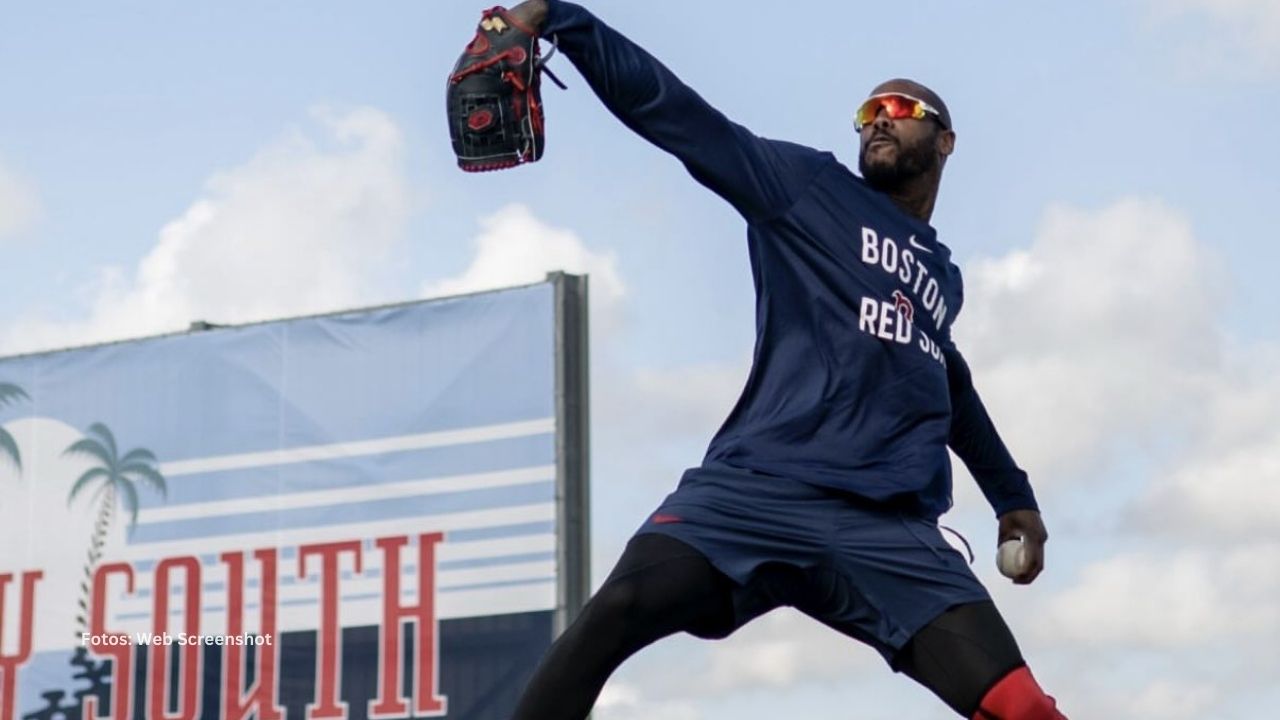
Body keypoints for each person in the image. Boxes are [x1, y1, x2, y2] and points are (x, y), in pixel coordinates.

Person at [504, 2, 1067, 718]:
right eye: (869, 111)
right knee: (615, 612)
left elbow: (943, 376)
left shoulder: (941, 275)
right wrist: (563, 20)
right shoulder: (807, 189)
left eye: (902, 107)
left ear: (946, 139)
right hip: (754, 493)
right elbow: (680, 115)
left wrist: (1012, 496)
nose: (880, 119)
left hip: (885, 527)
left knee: (1022, 708)